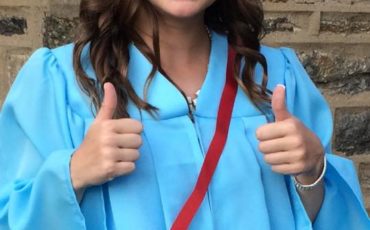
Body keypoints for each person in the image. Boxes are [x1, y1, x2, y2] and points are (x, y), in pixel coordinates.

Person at [0, 0, 369, 229]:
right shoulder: (61, 83)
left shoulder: (277, 76)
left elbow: (332, 220)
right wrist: (71, 174)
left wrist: (312, 172)